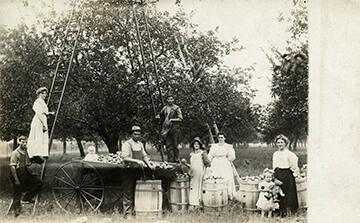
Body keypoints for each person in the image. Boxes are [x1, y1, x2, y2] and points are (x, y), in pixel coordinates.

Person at [121, 125, 155, 218]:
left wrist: (149, 164)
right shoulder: (127, 144)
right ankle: (127, 214)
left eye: (139, 134)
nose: (137, 136)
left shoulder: (140, 144)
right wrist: (137, 161)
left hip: (138, 171)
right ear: (131, 134)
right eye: (135, 134)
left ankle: (137, 211)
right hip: (129, 171)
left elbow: (144, 156)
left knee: (138, 191)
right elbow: (124, 158)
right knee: (128, 192)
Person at [9, 136, 43, 217]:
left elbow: (27, 162)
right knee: (18, 192)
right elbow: (12, 167)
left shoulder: (25, 151)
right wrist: (16, 179)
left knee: (39, 182)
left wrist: (37, 161)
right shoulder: (15, 153)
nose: (24, 144)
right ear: (19, 142)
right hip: (17, 174)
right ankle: (16, 212)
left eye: (25, 142)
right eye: (22, 142)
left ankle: (27, 198)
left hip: (25, 173)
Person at [272, 134, 299, 217]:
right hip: (278, 173)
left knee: (288, 193)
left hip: (287, 174)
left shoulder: (289, 154)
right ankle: (278, 210)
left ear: (285, 143)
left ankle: (287, 211)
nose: (280, 144)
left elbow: (294, 165)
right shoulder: (275, 153)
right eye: (278, 142)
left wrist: (294, 174)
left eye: (282, 142)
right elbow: (274, 165)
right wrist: (274, 176)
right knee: (278, 192)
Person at [27, 87, 54, 164]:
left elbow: (44, 112)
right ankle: (35, 156)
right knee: (37, 137)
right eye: (43, 93)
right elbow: (39, 113)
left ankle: (41, 154)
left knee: (41, 138)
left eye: (45, 93)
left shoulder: (42, 102)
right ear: (39, 94)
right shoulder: (37, 102)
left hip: (42, 120)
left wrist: (49, 113)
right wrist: (43, 124)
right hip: (39, 121)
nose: (44, 95)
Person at [207, 132, 236, 200]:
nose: (220, 139)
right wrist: (209, 162)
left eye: (222, 137)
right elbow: (210, 155)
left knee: (226, 177)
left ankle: (228, 194)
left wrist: (226, 160)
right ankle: (216, 195)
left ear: (224, 138)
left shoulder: (228, 146)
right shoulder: (214, 146)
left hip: (224, 163)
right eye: (219, 137)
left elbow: (232, 156)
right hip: (215, 163)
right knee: (216, 177)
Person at [155, 95, 183, 162]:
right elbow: (160, 115)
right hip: (166, 129)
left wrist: (172, 120)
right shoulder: (165, 108)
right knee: (168, 145)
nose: (170, 100)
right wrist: (158, 116)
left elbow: (180, 118)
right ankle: (170, 160)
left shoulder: (176, 108)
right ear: (167, 100)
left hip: (174, 129)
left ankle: (176, 160)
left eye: (171, 99)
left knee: (175, 145)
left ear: (173, 100)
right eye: (168, 99)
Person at [188, 137, 211, 210]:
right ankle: (192, 204)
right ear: (193, 145)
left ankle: (199, 204)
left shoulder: (202, 153)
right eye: (195, 144)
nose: (196, 145)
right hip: (193, 173)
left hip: (200, 172)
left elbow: (208, 163)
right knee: (192, 187)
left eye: (198, 144)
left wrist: (205, 172)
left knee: (199, 188)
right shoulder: (191, 154)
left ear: (200, 145)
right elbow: (191, 164)